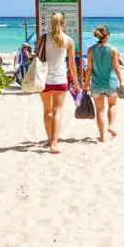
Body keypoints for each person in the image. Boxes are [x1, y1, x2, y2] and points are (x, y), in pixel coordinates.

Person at [36, 12, 81, 154]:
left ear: (51, 22)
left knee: (47, 111)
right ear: (64, 23)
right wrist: (76, 82)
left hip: (43, 80)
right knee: (58, 111)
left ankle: (50, 140)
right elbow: (72, 65)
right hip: (60, 80)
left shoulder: (43, 38)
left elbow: (38, 57)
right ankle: (54, 142)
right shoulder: (68, 41)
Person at [87, 25, 124, 142]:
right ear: (107, 35)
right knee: (112, 105)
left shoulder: (91, 49)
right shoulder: (113, 49)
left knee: (100, 110)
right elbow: (117, 67)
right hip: (111, 84)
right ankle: (111, 126)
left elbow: (89, 69)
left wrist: (85, 82)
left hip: (96, 85)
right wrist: (122, 81)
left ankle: (102, 137)